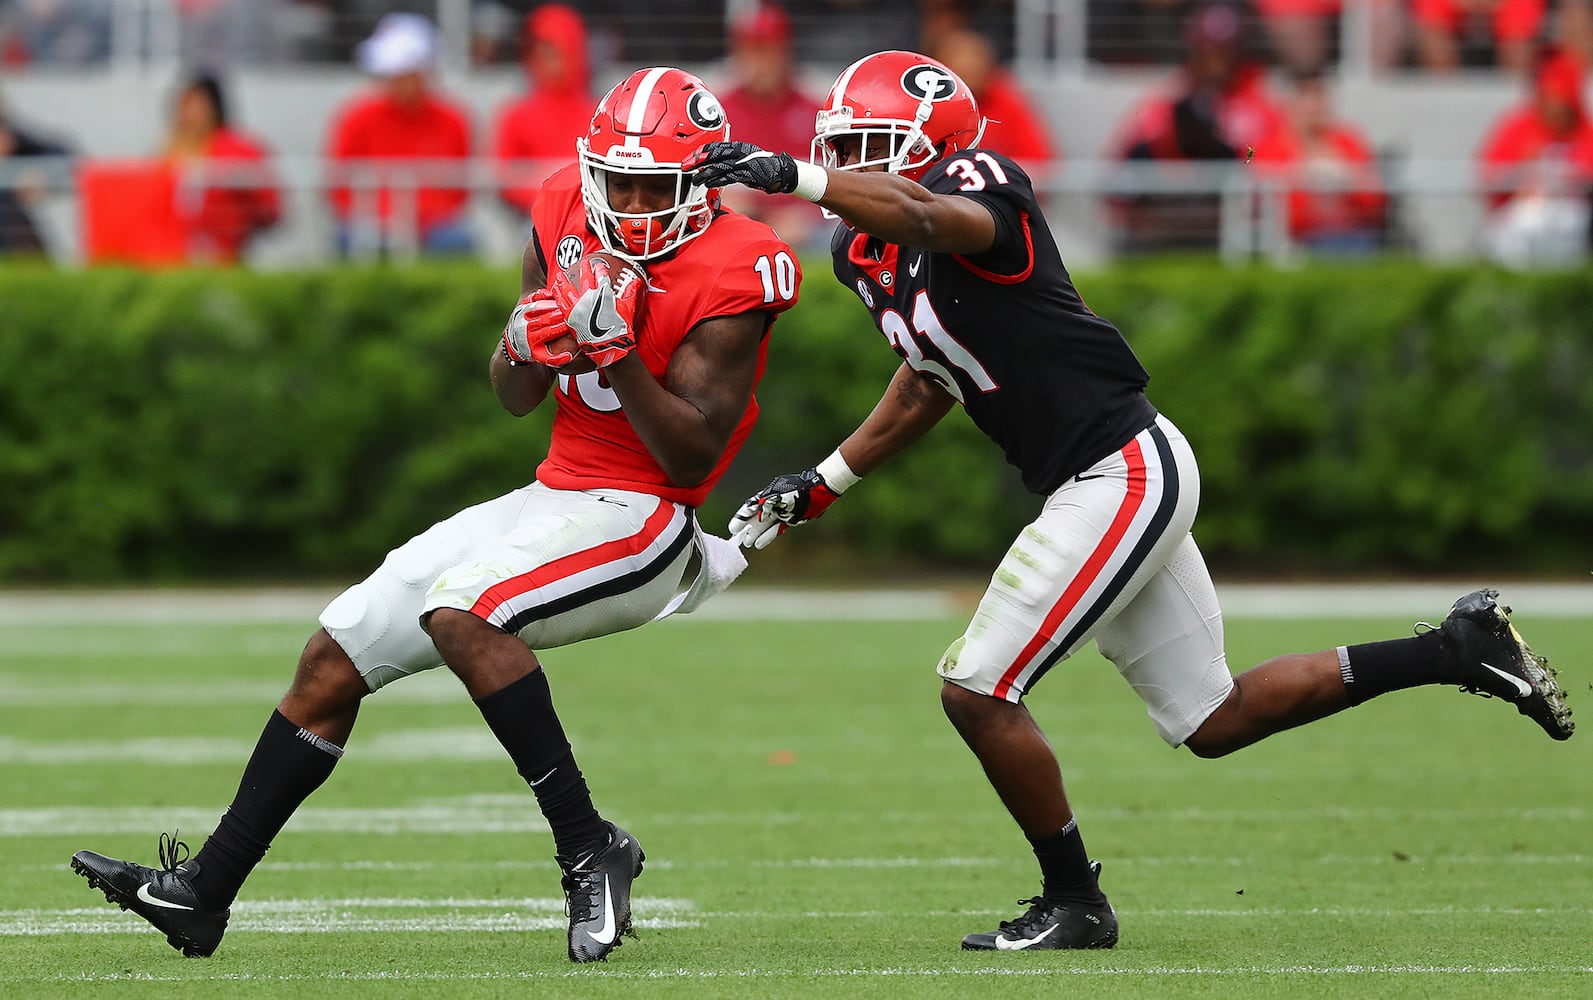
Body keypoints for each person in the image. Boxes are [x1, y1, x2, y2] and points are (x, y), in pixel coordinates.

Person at [686, 48, 1575, 952]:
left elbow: (921, 211)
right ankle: (1457, 648)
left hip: (1121, 469)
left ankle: (1074, 900)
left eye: (870, 147)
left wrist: (801, 175)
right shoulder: (859, 248)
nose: (855, 164)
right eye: (844, 148)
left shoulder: (974, 183)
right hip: (1099, 478)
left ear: (932, 144)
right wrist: (826, 480)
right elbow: (928, 377)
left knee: (976, 689)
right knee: (1212, 720)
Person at [70, 66, 802, 965]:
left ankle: (588, 846)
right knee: (334, 653)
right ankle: (203, 893)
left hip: (646, 518)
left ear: (703, 183)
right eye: (617, 181)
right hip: (559, 491)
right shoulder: (562, 205)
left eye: (655, 184)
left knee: (466, 612)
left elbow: (690, 455)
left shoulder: (741, 262)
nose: (631, 200)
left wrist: (616, 359)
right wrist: (518, 344)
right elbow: (514, 396)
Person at [1109, 2, 1285, 252]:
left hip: (1234, 230)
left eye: (1224, 51)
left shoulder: (1262, 109)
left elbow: (1274, 180)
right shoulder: (1163, 104)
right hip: (1162, 230)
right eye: (1207, 49)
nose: (1215, 60)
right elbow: (1119, 178)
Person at [325, 12, 474, 257]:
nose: (396, 81)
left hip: (433, 225)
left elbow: (459, 189)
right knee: (348, 238)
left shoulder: (453, 119)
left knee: (455, 240)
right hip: (368, 220)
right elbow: (338, 184)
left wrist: (415, 218)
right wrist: (384, 219)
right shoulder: (356, 117)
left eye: (404, 72)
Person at [714, 1, 824, 248]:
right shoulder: (718, 111)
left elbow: (835, 182)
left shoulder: (815, 111)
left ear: (785, 51)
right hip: (735, 227)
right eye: (751, 50)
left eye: (767, 50)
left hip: (804, 231)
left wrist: (806, 215)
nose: (758, 61)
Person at [1248, 69, 1387, 255]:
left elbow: (1374, 193)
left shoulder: (1348, 140)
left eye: (1320, 96)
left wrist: (1343, 177)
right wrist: (1296, 176)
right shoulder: (1262, 145)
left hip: (1351, 238)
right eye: (1307, 96)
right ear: (1289, 101)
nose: (1316, 105)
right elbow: (1247, 170)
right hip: (1291, 240)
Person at [1477, 45, 1593, 266]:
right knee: (1519, 228)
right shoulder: (1518, 126)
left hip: (1571, 214)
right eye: (1550, 102)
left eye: (1562, 104)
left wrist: (1568, 179)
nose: (1555, 112)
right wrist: (1522, 175)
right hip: (1521, 211)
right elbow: (1489, 174)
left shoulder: (1585, 131)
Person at [160, 72, 281, 264]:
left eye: (197, 105)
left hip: (225, 251)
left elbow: (269, 206)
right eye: (185, 105)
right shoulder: (167, 149)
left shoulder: (236, 149)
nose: (189, 113)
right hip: (174, 254)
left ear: (213, 108)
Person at [491, 3, 596, 223]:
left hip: (590, 214)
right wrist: (544, 197)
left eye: (560, 52)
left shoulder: (599, 113)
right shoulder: (515, 115)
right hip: (532, 216)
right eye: (544, 53)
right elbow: (503, 177)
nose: (552, 63)